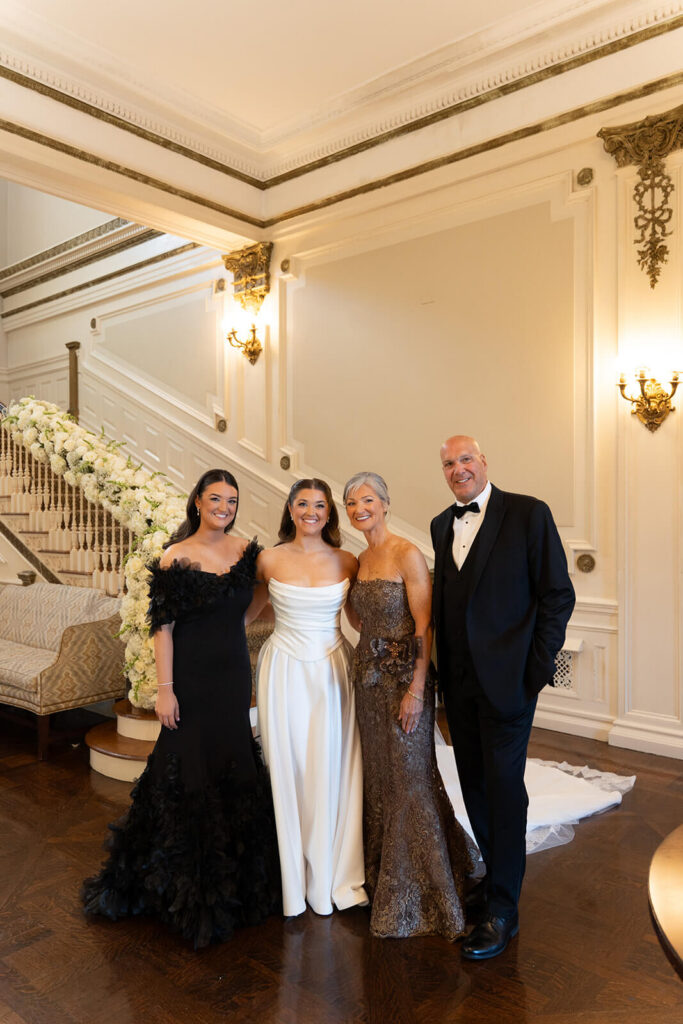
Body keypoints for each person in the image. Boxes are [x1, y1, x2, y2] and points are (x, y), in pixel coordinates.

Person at [82, 469, 281, 947]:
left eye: (232, 500)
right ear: (197, 501)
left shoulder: (245, 553)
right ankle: (184, 890)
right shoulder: (176, 555)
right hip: (189, 682)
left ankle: (237, 887)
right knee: (186, 769)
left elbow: (254, 601)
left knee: (234, 765)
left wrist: (233, 624)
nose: (225, 507)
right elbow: (163, 627)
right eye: (216, 498)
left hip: (233, 677)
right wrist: (166, 689)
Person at [431, 436, 575, 960]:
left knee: (505, 788)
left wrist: (535, 670)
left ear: (484, 462)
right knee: (474, 785)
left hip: (510, 682)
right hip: (460, 687)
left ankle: (504, 909)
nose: (458, 469)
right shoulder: (440, 524)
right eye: (449, 463)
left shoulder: (528, 514)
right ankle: (496, 878)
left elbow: (558, 594)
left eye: (465, 459)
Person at [344, 471, 476, 939]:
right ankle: (384, 880)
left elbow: (424, 625)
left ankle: (427, 890)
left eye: (367, 500)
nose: (360, 508)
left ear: (384, 502)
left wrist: (417, 688)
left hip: (406, 681)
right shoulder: (360, 558)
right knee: (380, 777)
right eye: (351, 503)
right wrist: (370, 650)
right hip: (368, 680)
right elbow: (358, 615)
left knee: (409, 778)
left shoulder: (407, 553)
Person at [256, 478, 367, 918]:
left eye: (319, 505)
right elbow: (244, 614)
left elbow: (361, 619)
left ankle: (330, 870)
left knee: (329, 765)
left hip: (332, 669)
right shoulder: (267, 559)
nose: (311, 511)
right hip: (282, 669)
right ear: (290, 508)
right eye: (302, 503)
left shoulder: (347, 561)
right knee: (289, 765)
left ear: (329, 513)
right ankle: (290, 875)